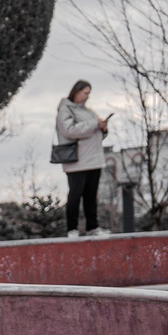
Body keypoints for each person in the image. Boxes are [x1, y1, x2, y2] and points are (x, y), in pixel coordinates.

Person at [53, 80, 111, 237]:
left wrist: (103, 128)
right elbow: (69, 130)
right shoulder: (65, 109)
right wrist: (94, 124)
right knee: (75, 195)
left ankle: (93, 227)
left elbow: (96, 133)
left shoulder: (88, 111)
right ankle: (72, 229)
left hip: (94, 159)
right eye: (85, 93)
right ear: (76, 91)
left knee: (91, 196)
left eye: (89, 94)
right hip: (77, 161)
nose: (87, 97)